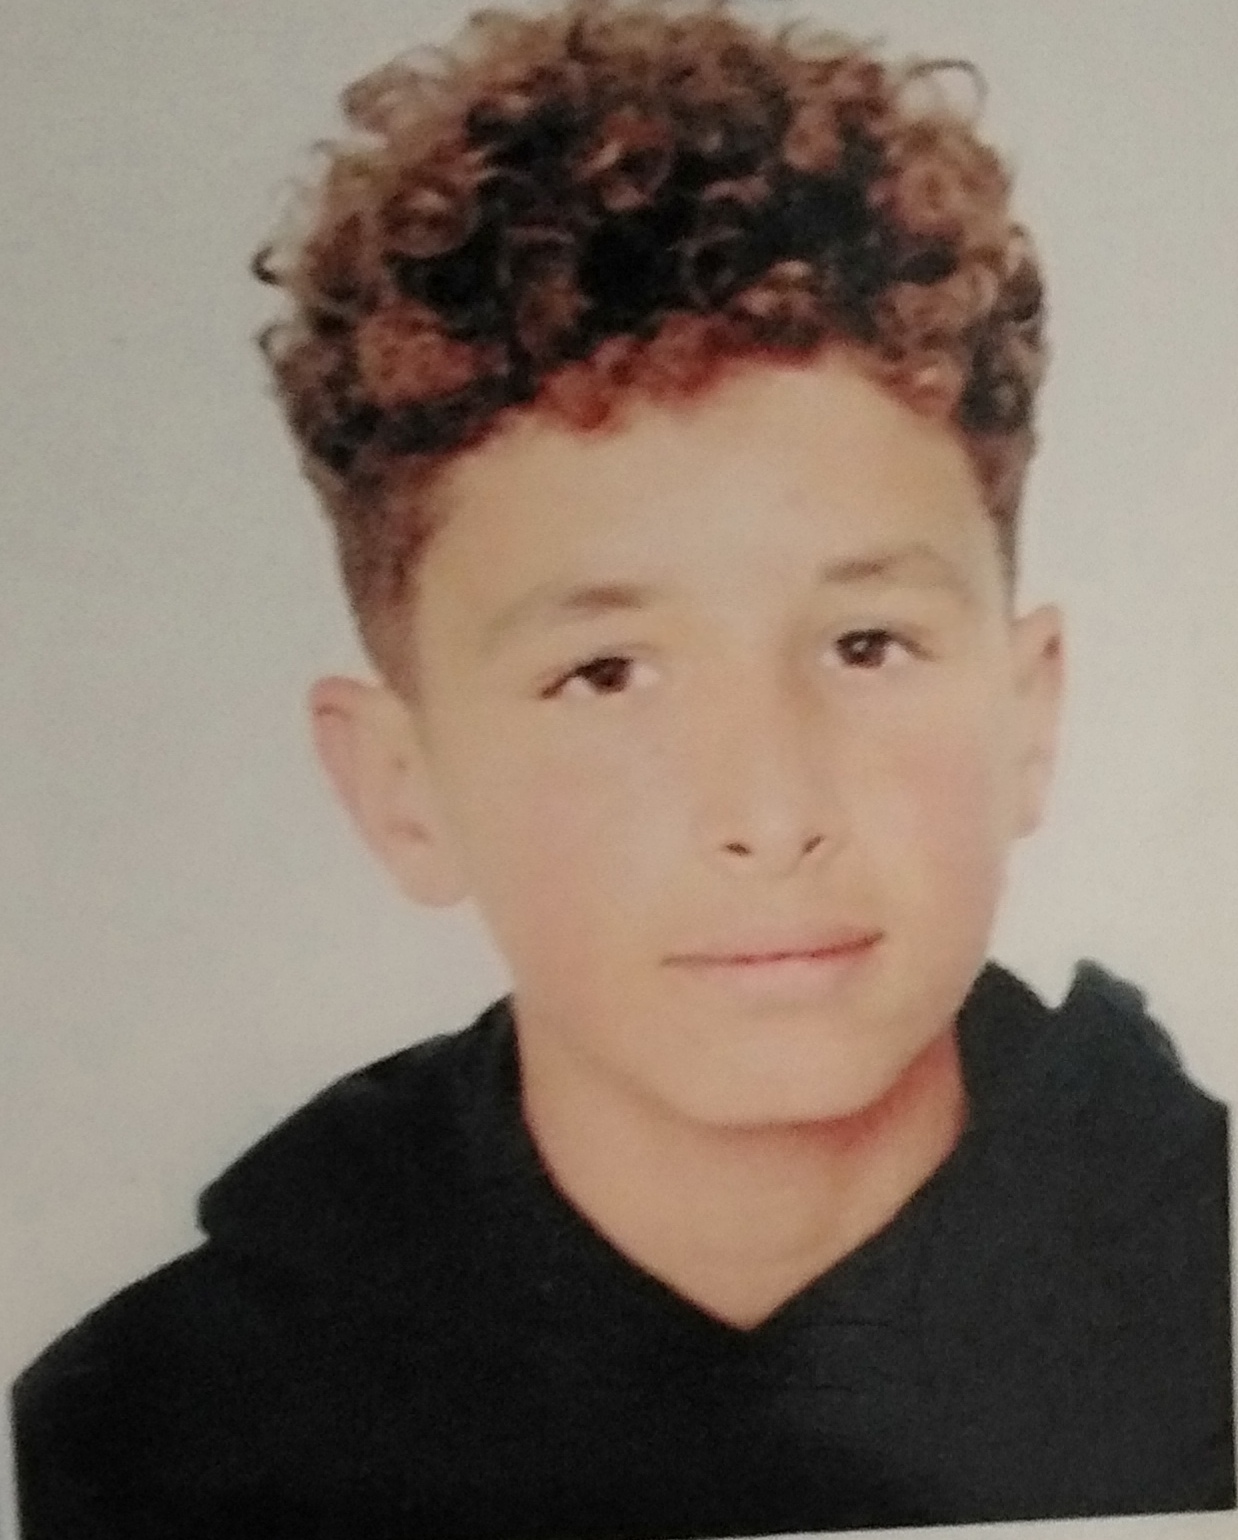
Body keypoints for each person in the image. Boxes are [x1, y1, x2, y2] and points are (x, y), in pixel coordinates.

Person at [11, 1, 1233, 1535]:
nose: (768, 814)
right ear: (399, 788)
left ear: (1027, 717)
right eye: (604, 674)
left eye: (864, 644)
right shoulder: (141, 1441)